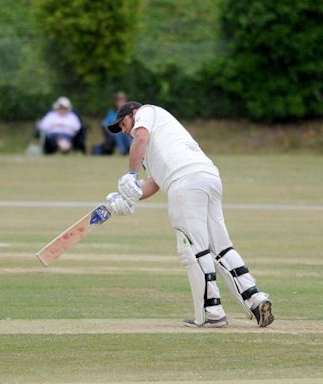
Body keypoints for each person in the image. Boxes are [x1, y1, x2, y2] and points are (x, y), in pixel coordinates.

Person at [105, 101, 274, 328]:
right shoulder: (158, 144)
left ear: (133, 113)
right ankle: (256, 298)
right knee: (221, 246)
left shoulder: (146, 112)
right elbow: (155, 182)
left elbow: (140, 138)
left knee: (193, 249)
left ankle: (211, 312)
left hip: (185, 183)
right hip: (207, 177)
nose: (124, 130)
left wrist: (130, 174)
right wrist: (128, 198)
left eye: (123, 123)